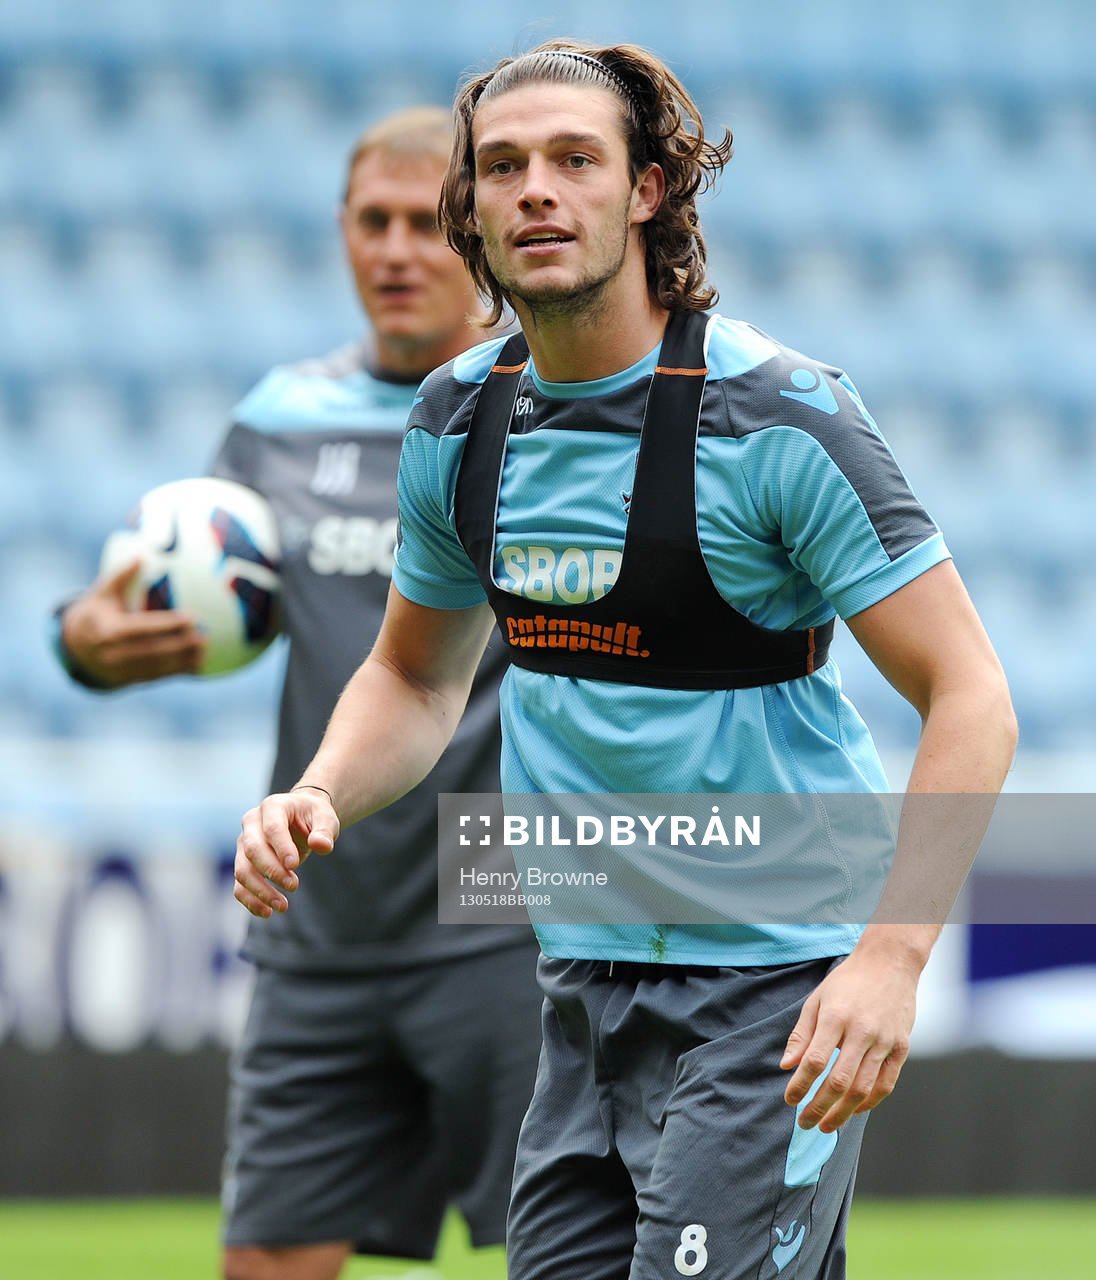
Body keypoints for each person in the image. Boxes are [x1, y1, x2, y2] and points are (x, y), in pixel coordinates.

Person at [232, 42, 1018, 1280]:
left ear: (647, 191)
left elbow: (969, 693)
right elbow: (415, 677)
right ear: (473, 209)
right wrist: (320, 788)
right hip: (578, 987)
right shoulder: (454, 420)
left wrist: (890, 957)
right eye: (503, 166)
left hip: (770, 990)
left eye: (573, 160)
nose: (535, 189)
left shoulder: (777, 416)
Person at [52, 107, 544, 1280]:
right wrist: (86, 641)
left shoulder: (548, 413)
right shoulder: (278, 422)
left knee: (562, 1251)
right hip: (320, 909)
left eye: (425, 223)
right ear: (339, 232)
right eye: (369, 222)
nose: (393, 250)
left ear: (473, 233)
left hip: (505, 906)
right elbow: (151, 589)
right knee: (268, 1260)